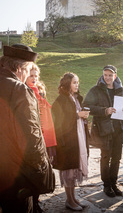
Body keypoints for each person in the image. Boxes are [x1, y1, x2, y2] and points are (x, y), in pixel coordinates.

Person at [0, 44, 55, 213]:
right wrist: (43, 171)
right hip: (16, 176)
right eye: (29, 70)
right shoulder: (19, 90)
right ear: (20, 68)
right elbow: (32, 137)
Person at [83, 65, 123, 198]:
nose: (107, 77)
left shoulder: (121, 90)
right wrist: (105, 111)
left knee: (116, 157)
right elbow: (86, 106)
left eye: (110, 75)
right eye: (105, 75)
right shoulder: (96, 90)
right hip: (104, 130)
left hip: (118, 130)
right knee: (105, 157)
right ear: (103, 75)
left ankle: (114, 183)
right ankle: (106, 185)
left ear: (115, 76)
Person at [51, 72, 90, 211]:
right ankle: (69, 200)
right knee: (68, 171)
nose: (77, 85)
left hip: (77, 138)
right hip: (66, 141)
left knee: (74, 170)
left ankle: (73, 198)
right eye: (74, 82)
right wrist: (77, 115)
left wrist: (83, 116)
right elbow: (58, 122)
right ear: (67, 83)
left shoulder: (76, 98)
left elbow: (77, 116)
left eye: (77, 82)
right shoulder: (61, 100)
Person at [26, 63, 57, 212]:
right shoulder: (25, 91)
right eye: (31, 75)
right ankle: (32, 202)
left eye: (36, 76)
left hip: (44, 135)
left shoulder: (40, 91)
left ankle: (36, 200)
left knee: (41, 170)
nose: (34, 78)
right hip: (33, 138)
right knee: (32, 172)